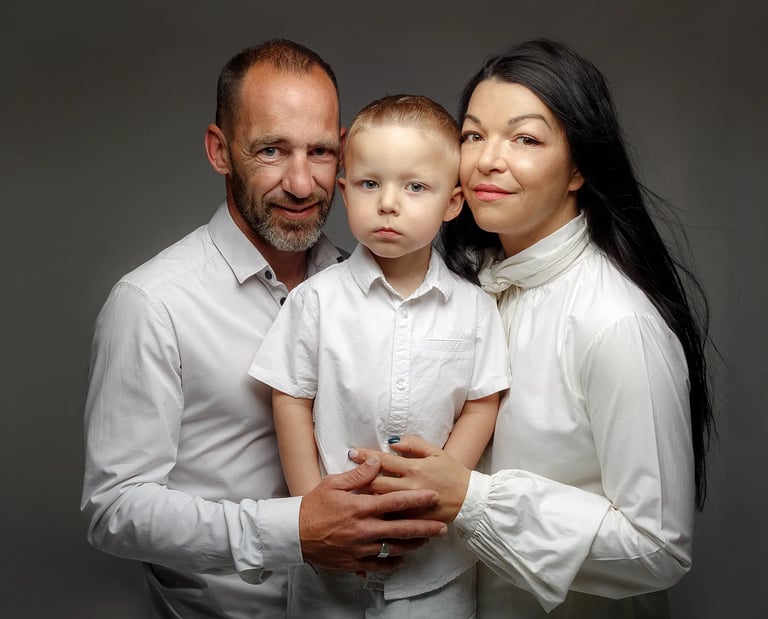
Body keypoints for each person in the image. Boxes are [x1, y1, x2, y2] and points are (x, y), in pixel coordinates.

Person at [80, 40, 447, 619]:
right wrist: (293, 531)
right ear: (219, 150)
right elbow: (116, 511)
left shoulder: (372, 286)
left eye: (321, 152)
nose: (301, 184)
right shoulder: (151, 304)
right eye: (272, 151)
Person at [350, 39, 715, 618]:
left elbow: (659, 549)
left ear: (578, 169)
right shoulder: (468, 289)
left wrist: (471, 499)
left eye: (525, 138)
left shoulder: (616, 324)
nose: (487, 160)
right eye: (473, 134)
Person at [248, 94, 509, 618]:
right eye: (370, 184)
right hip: (330, 575)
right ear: (344, 192)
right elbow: (291, 399)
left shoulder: (476, 309)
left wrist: (441, 484)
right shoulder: (315, 301)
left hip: (435, 569)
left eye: (415, 187)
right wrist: (311, 506)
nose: (389, 203)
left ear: (453, 203)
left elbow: (483, 402)